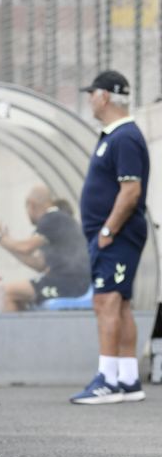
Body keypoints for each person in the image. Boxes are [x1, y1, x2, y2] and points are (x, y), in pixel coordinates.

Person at [71, 70, 149, 405]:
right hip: (113, 236)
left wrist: (107, 230)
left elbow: (130, 191)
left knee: (105, 301)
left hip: (116, 235)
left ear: (104, 96)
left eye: (92, 94)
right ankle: (128, 379)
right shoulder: (113, 136)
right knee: (121, 303)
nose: (89, 99)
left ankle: (107, 379)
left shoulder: (125, 137)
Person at [0, 185, 90, 311]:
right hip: (70, 282)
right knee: (16, 295)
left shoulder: (52, 218)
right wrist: (2, 239)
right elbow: (39, 264)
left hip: (68, 283)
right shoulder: (59, 220)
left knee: (6, 292)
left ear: (31, 204)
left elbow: (25, 247)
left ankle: (12, 331)